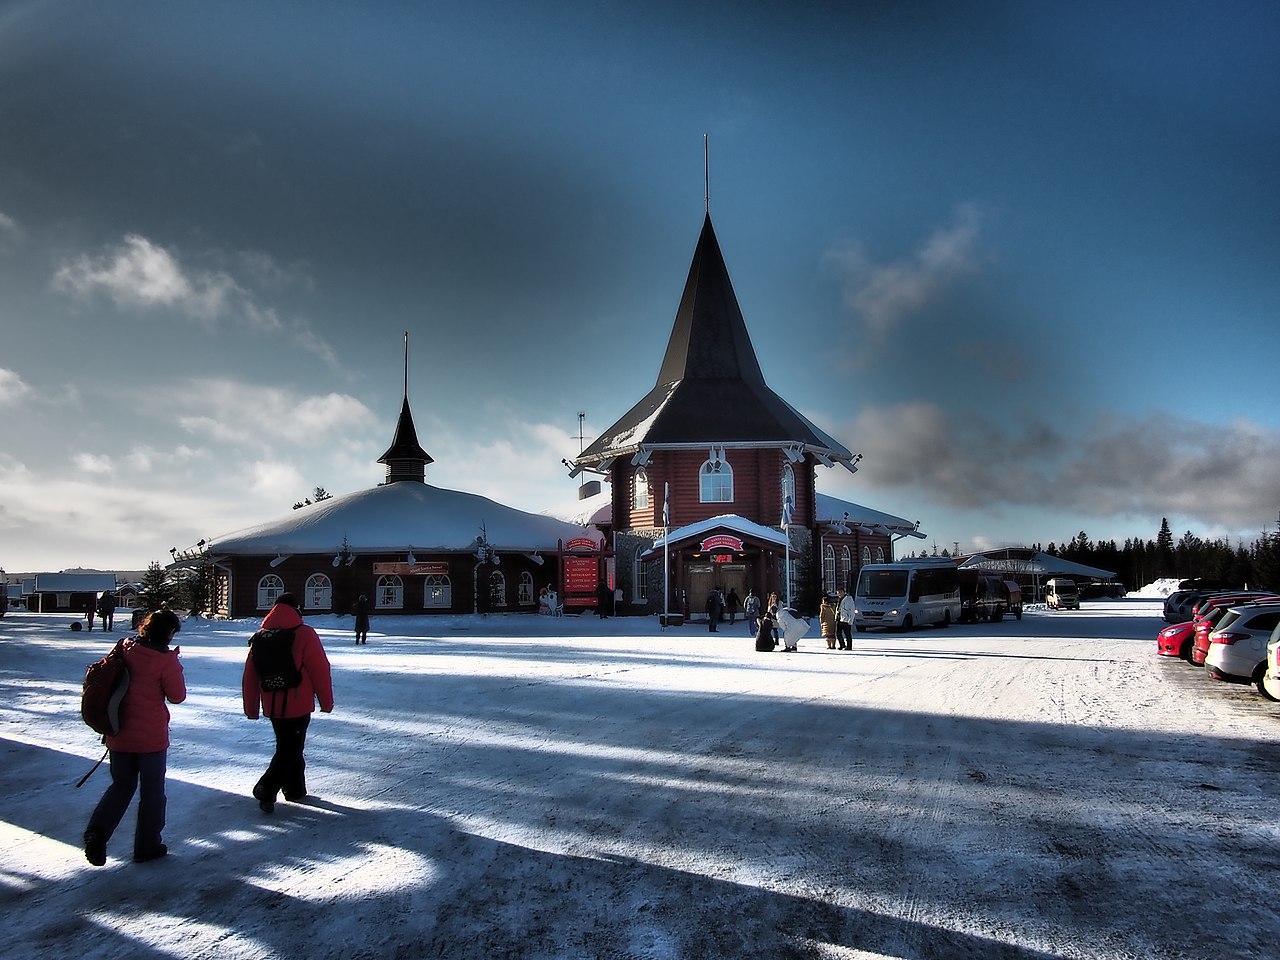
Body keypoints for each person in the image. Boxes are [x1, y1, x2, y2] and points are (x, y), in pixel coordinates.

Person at [83, 609, 186, 866]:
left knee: (121, 785)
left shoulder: (125, 647)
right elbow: (177, 695)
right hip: (150, 738)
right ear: (169, 633)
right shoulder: (164, 660)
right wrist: (174, 663)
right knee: (152, 792)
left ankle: (98, 831)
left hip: (118, 730)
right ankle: (147, 846)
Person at [242, 593, 334, 813]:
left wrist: (252, 708)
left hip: (272, 704)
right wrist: (326, 701)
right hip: (298, 703)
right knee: (291, 749)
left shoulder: (261, 636)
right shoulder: (305, 634)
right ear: (296, 609)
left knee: (288, 745)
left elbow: (250, 675)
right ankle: (267, 787)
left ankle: (295, 789)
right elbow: (319, 669)